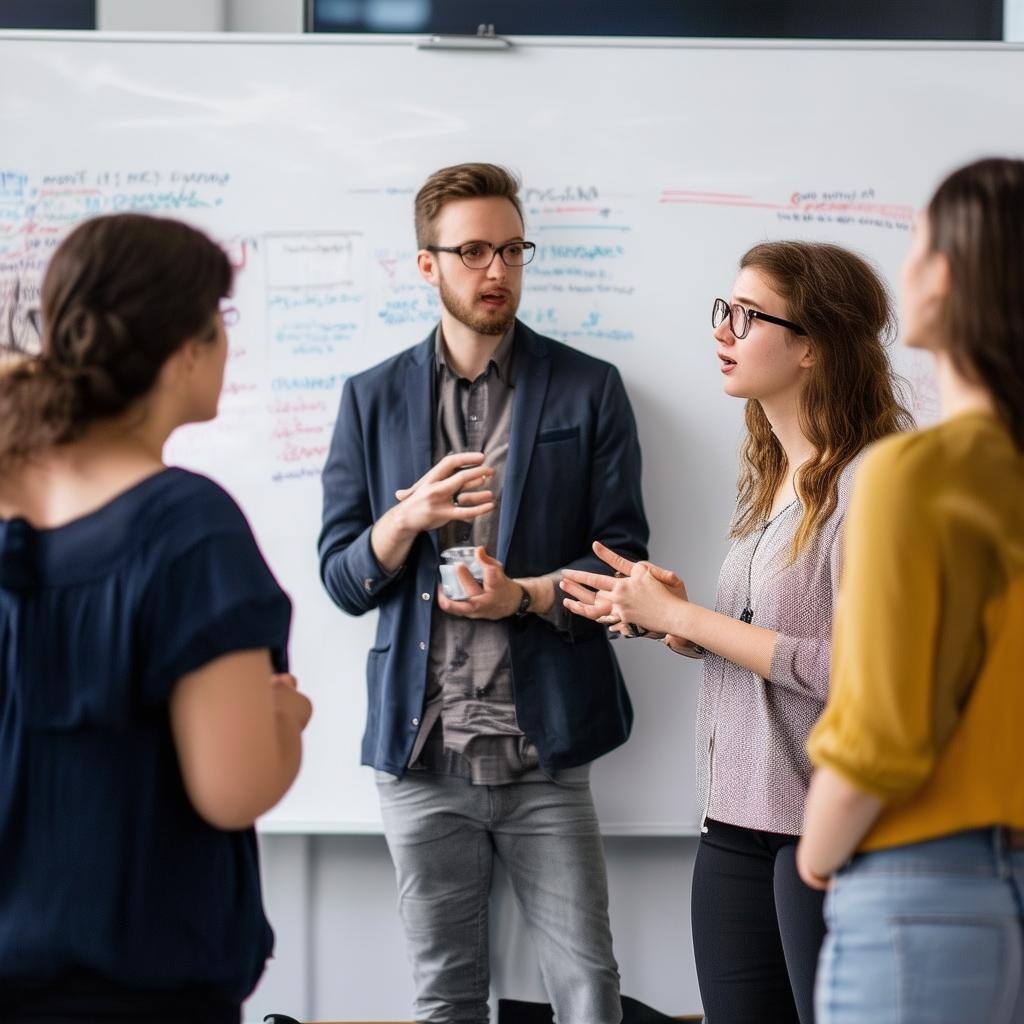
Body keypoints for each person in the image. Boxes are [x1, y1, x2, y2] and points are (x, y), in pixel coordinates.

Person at [318, 162, 648, 1024]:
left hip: (544, 752)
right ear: (427, 264)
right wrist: (406, 523)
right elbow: (340, 580)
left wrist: (527, 596)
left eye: (511, 249)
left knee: (588, 993)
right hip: (420, 755)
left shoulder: (589, 388)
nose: (496, 270)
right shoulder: (370, 399)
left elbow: (626, 568)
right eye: (472, 251)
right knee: (445, 1000)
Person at [560, 241, 913, 1024]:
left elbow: (859, 674)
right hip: (730, 827)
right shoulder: (777, 473)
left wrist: (687, 618)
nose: (724, 330)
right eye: (727, 310)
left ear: (812, 346)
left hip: (818, 837)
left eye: (748, 316)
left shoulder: (872, 484)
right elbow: (775, 637)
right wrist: (673, 624)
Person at [0, 213, 312, 1024]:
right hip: (129, 995)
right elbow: (233, 789)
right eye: (222, 318)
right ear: (185, 345)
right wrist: (285, 717)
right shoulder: (186, 528)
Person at [798, 158, 1024, 1023]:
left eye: (917, 245)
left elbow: (883, 735)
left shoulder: (913, 475)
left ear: (951, 277)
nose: (904, 270)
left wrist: (819, 851)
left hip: (921, 891)